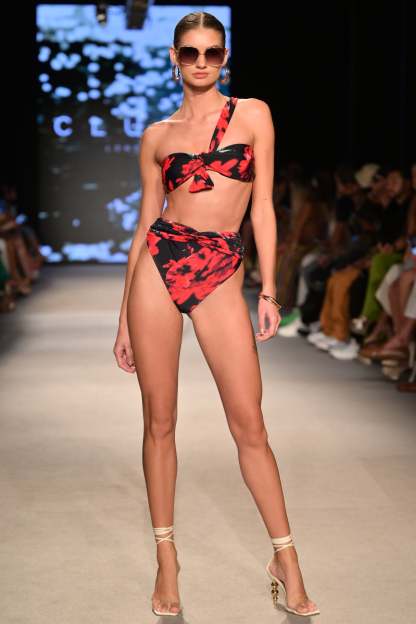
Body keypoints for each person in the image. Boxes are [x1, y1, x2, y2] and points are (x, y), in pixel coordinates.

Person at [113, 11, 319, 618]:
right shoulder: (157, 135)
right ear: (174, 58)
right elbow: (145, 223)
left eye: (211, 52)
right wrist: (123, 317)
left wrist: (269, 290)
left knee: (249, 423)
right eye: (190, 52)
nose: (200, 62)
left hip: (221, 268)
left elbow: (264, 208)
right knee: (159, 421)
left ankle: (286, 558)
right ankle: (167, 558)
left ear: (224, 57)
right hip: (158, 264)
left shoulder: (253, 115)